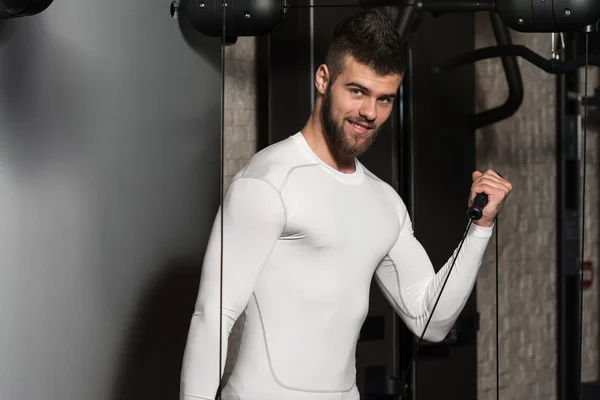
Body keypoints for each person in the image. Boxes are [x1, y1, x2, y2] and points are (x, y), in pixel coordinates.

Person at [180, 9, 512, 400]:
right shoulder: (268, 182)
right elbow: (213, 316)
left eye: (384, 99)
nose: (370, 113)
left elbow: (430, 320)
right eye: (357, 91)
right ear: (323, 79)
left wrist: (479, 229)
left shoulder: (384, 202)